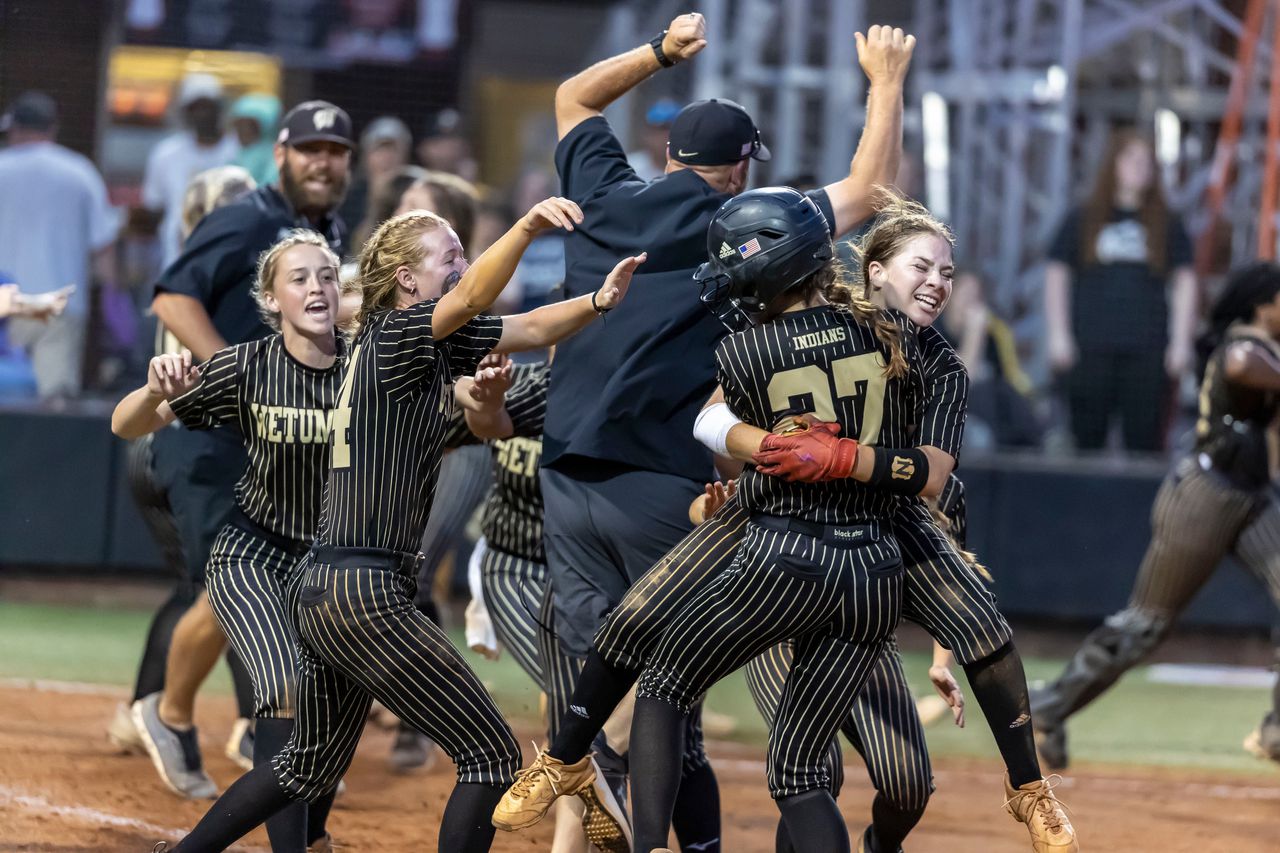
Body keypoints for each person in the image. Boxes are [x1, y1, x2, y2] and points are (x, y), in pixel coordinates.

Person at [499, 190, 1077, 853]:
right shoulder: (832, 335)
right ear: (874, 270)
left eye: (947, 271)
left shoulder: (916, 352)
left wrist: (834, 455)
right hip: (797, 524)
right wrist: (768, 450)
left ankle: (1028, 786)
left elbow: (941, 484)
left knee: (918, 745)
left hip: (856, 526)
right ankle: (565, 757)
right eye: (924, 266)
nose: (939, 282)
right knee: (641, 622)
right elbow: (714, 420)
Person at [512, 17, 912, 852]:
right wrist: (884, 81)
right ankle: (655, 829)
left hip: (562, 473)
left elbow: (572, 95)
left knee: (597, 670)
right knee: (667, 685)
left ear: (665, 155)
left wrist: (660, 51)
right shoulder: (741, 225)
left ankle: (586, 809)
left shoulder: (603, 195)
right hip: (659, 480)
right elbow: (872, 191)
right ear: (738, 171)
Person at [157, 198, 644, 853]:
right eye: (448, 255)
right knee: (491, 756)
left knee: (306, 765)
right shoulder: (396, 334)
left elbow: (526, 327)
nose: (464, 265)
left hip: (327, 587)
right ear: (408, 281)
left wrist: (600, 302)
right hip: (365, 590)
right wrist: (526, 226)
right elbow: (475, 294)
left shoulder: (415, 341)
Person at [130, 101, 354, 799]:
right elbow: (171, 298)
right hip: (206, 438)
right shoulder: (250, 218)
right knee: (235, 589)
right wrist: (237, 376)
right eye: (310, 148)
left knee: (271, 583)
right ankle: (167, 711)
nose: (323, 161)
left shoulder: (321, 229)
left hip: (269, 447)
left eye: (335, 150)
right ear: (281, 154)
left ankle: (256, 726)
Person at [1032, 261, 1280, 771]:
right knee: (1146, 624)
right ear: (1264, 304)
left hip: (1254, 497)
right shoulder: (1244, 343)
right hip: (1205, 496)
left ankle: (1276, 732)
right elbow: (1239, 367)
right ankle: (1048, 707)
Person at [106, 165, 260, 771]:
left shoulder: (193, 269)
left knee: (200, 584)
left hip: (157, 443)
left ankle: (139, 708)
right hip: (181, 438)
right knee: (238, 580)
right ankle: (254, 723)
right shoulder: (225, 279)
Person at [1045, 128, 1196, 453]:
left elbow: (1185, 281)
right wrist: (1059, 334)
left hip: (1148, 348)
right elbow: (1057, 273)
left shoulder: (1167, 221)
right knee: (1086, 440)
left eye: (1146, 161)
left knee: (1145, 443)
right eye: (1131, 158)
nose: (1139, 167)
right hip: (1091, 345)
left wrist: (1181, 342)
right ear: (1113, 163)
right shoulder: (1084, 217)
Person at [0, 90, 120, 399]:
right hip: (59, 305)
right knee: (52, 406)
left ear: (14, 129)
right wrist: (113, 304)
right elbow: (103, 248)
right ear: (52, 128)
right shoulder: (79, 172)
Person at [140, 73, 240, 266]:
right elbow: (154, 206)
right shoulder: (166, 154)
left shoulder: (238, 152)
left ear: (219, 108)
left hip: (227, 266)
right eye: (195, 108)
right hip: (175, 264)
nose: (202, 114)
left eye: (207, 106)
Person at [338, 115, 413, 234]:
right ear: (366, 157)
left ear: (406, 157)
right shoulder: (347, 200)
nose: (386, 158)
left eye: (393, 150)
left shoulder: (413, 197)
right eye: (380, 150)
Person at [229, 93, 282, 187]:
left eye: (248, 125)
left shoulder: (273, 156)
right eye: (239, 124)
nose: (242, 129)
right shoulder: (235, 153)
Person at [626, 98, 681, 182]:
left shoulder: (693, 172)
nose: (667, 135)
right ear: (647, 133)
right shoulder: (629, 169)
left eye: (674, 129)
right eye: (662, 129)